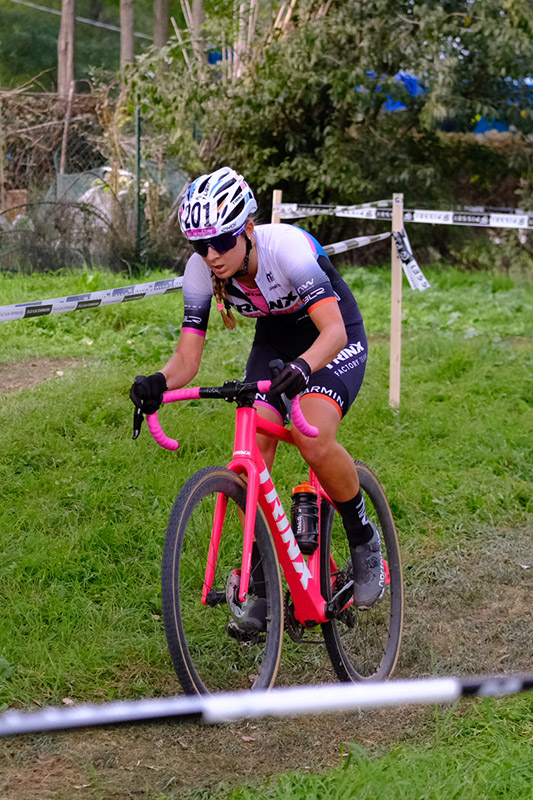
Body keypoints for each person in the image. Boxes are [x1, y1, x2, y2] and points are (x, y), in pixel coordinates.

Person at [130, 166, 383, 634]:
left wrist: (305, 369)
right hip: (276, 342)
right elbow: (188, 358)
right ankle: (266, 579)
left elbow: (333, 331)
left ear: (247, 228)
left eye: (222, 242)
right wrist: (157, 383)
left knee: (312, 434)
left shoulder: (285, 248)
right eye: (199, 246)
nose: (211, 256)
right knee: (252, 456)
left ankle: (363, 538)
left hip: (332, 335)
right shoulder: (201, 270)